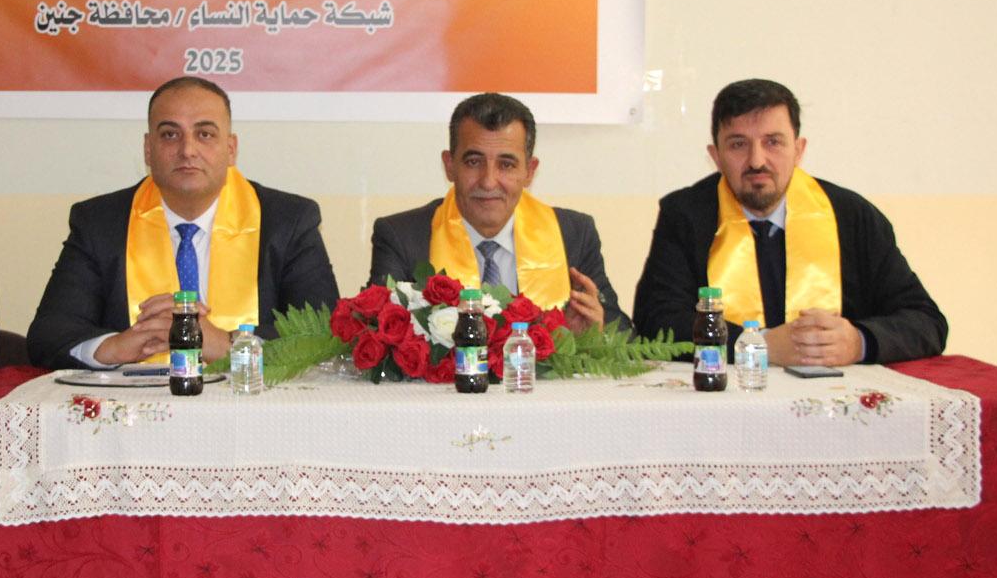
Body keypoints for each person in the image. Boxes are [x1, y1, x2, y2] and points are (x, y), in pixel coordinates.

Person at [27, 77, 340, 369]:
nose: (187, 150)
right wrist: (114, 348)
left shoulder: (288, 221)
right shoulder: (99, 222)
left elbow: (325, 333)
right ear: (148, 149)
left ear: (231, 149)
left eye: (205, 134)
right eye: (170, 134)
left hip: (251, 402)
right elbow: (49, 333)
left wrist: (228, 345)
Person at [632, 78, 947, 366]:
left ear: (798, 150)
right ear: (716, 156)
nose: (757, 161)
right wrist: (758, 345)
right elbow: (655, 325)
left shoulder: (852, 216)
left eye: (773, 142)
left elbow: (926, 321)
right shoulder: (684, 216)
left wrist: (859, 342)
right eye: (738, 144)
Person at [369, 92, 632, 332]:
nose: (488, 182)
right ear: (450, 166)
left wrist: (596, 333)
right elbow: (374, 334)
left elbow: (626, 337)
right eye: (474, 162)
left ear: (529, 171)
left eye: (506, 165)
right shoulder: (402, 238)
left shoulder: (574, 235)